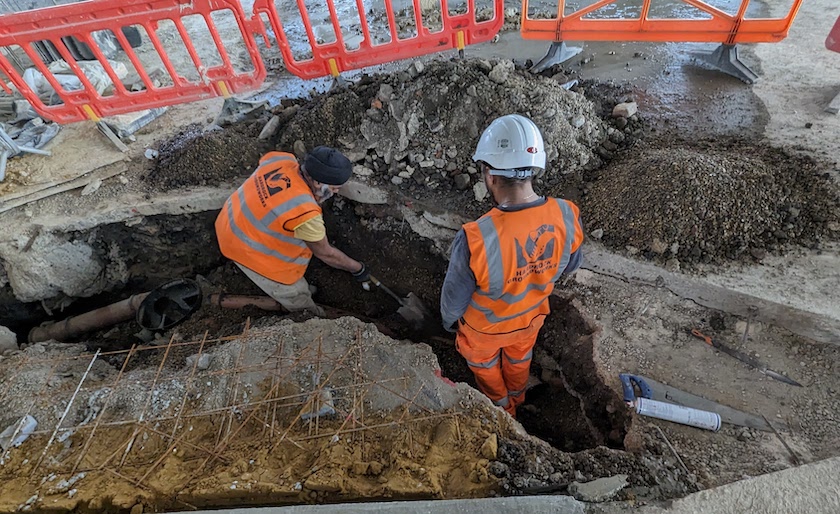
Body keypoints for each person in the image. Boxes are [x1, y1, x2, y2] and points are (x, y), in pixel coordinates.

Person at [440, 114, 584, 417]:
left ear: (490, 175)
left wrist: (447, 323)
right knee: (519, 361)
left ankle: (505, 410)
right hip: (528, 322)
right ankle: (518, 398)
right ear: (533, 169)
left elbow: (454, 301)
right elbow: (569, 265)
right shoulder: (566, 214)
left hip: (483, 332)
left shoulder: (476, 237)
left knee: (485, 368)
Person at [215, 146, 370, 315]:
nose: (337, 191)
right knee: (296, 295)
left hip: (229, 220)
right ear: (318, 183)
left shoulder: (281, 159)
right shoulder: (305, 213)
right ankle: (312, 317)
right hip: (245, 248)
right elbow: (326, 254)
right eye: (334, 188)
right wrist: (357, 268)